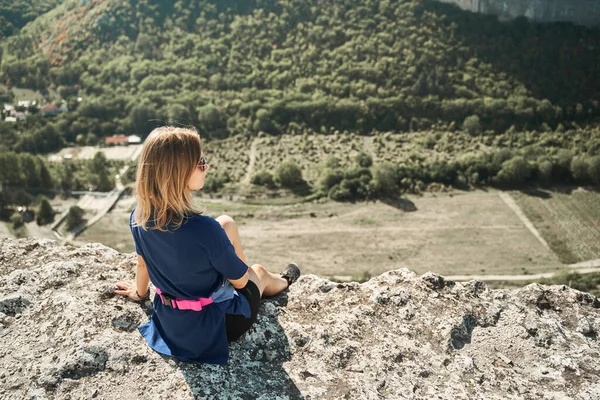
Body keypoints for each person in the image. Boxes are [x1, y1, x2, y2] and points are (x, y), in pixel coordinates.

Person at [114, 126, 300, 364]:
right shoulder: (204, 229)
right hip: (214, 326)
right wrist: (227, 268)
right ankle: (285, 280)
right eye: (200, 162)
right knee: (258, 273)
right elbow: (242, 281)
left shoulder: (138, 217)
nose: (206, 167)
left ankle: (249, 274)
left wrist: (140, 294)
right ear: (179, 173)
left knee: (226, 223)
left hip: (171, 324)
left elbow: (142, 264)